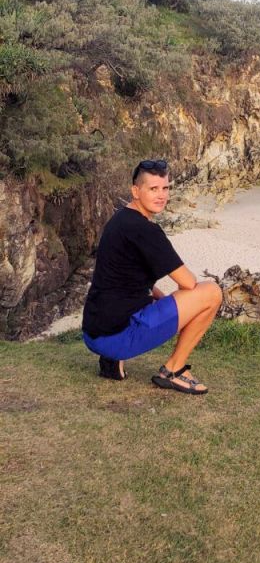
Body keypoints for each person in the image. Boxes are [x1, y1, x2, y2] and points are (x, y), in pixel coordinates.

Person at [81, 159, 223, 395]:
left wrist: (165, 302)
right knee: (211, 292)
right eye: (153, 189)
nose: (161, 195)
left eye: (165, 188)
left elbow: (129, 279)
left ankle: (111, 361)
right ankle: (173, 371)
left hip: (94, 331)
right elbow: (188, 283)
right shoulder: (145, 230)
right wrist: (180, 309)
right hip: (117, 336)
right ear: (135, 191)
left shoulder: (120, 220)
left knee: (161, 299)